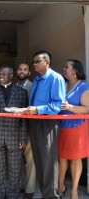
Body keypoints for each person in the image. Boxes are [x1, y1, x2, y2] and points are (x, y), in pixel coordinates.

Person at [24, 51, 65, 199]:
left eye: (37, 61)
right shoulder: (36, 79)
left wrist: (37, 110)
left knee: (48, 163)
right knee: (40, 163)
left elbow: (57, 106)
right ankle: (45, 195)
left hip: (48, 123)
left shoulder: (55, 78)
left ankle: (52, 196)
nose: (34, 64)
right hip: (35, 123)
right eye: (33, 62)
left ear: (46, 62)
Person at [0, 65, 28, 199]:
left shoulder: (21, 92)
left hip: (15, 138)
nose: (0, 76)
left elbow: (25, 119)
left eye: (3, 74)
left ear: (11, 75)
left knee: (15, 170)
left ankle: (12, 195)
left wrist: (23, 138)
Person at [58, 59, 89, 199]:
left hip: (77, 127)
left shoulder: (83, 86)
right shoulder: (62, 85)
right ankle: (60, 186)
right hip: (60, 127)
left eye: (67, 67)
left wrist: (70, 107)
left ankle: (74, 191)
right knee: (61, 158)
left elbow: (86, 109)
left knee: (76, 159)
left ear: (75, 70)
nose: (64, 69)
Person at [16, 63, 35, 199]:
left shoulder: (33, 86)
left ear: (29, 73)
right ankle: (19, 186)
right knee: (16, 159)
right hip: (14, 128)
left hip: (28, 127)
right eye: (20, 69)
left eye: (25, 70)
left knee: (29, 159)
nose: (22, 71)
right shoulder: (13, 86)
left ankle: (29, 190)